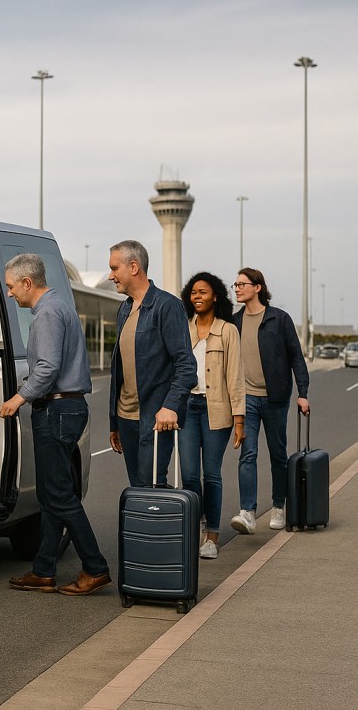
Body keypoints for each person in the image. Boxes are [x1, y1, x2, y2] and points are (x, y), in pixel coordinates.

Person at [0, 253, 110, 596]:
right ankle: (44, 569)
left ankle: (95, 568)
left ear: (28, 283)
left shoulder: (47, 313)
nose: (9, 294)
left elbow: (47, 368)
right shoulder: (59, 305)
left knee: (60, 495)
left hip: (58, 410)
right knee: (51, 494)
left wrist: (19, 398)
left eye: (11, 287)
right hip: (67, 408)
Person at [107, 240, 197, 486]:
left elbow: (186, 366)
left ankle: (170, 522)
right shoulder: (124, 310)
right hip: (126, 418)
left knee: (151, 484)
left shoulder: (167, 306)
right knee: (139, 487)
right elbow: (120, 371)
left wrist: (170, 406)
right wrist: (115, 422)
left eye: (115, 268)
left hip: (156, 417)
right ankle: (149, 524)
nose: (110, 276)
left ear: (133, 267)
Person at [229, 268, 310, 534]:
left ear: (258, 287)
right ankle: (248, 512)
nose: (237, 288)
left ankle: (278, 506)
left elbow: (296, 357)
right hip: (247, 398)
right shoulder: (235, 322)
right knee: (248, 454)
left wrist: (303, 393)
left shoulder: (279, 319)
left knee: (277, 454)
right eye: (236, 284)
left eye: (242, 284)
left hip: (276, 397)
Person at [177, 272, 245, 560]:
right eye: (193, 292)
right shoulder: (184, 329)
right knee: (190, 476)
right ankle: (193, 531)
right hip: (187, 409)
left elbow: (235, 377)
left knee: (212, 475)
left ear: (215, 295)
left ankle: (211, 536)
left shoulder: (227, 331)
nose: (197, 296)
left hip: (216, 409)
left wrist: (239, 419)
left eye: (202, 292)